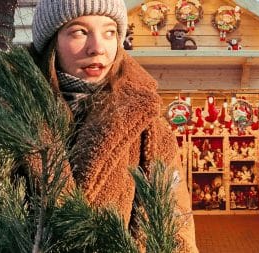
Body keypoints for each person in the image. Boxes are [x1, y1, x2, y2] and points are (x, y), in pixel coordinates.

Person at [29, 0, 198, 251]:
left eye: (110, 32)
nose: (98, 48)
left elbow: (175, 225)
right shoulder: (13, 114)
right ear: (51, 42)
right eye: (79, 32)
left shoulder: (146, 124)